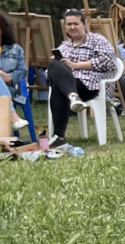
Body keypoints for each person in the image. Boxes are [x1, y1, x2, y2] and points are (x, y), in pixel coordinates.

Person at [47, 10, 116, 144]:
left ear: (84, 24)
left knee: (58, 85)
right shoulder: (64, 46)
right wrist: (57, 67)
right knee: (54, 68)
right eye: (68, 24)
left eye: (75, 24)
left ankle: (59, 136)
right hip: (68, 87)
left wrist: (76, 65)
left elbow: (108, 61)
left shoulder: (98, 40)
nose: (72, 27)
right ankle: (72, 97)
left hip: (89, 86)